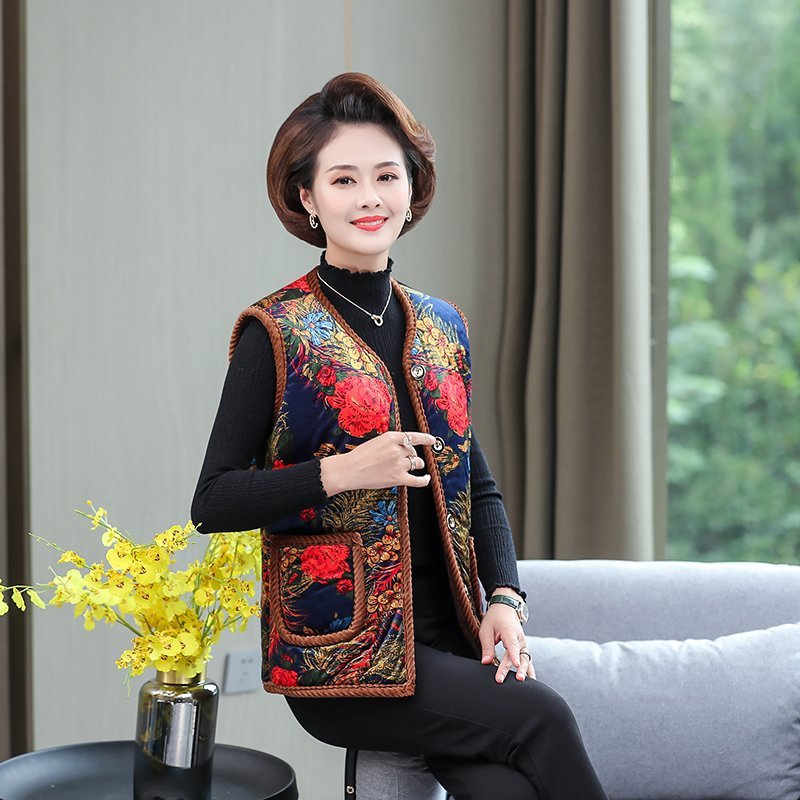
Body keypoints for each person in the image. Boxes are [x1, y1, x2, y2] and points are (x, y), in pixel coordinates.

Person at [191, 72, 608, 800]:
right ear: (307, 198)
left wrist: (505, 598)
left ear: (413, 189)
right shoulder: (277, 332)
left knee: (506, 790)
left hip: (452, 635)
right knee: (541, 715)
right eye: (344, 180)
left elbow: (478, 485)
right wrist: (342, 472)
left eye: (387, 176)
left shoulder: (442, 326)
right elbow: (213, 501)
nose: (370, 198)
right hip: (341, 657)